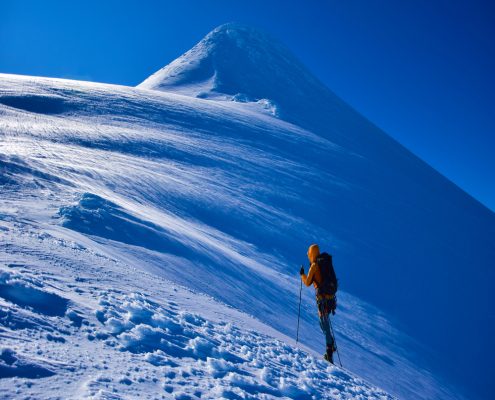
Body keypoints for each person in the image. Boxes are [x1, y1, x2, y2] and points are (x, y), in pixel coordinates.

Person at [300, 243, 338, 363]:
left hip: (321, 300)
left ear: (311, 254)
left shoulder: (315, 266)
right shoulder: (325, 263)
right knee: (324, 324)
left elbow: (307, 283)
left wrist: (302, 274)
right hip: (330, 298)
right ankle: (331, 346)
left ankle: (329, 353)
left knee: (324, 325)